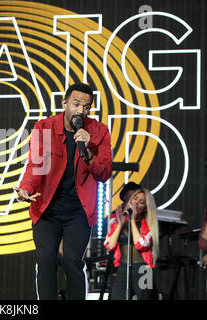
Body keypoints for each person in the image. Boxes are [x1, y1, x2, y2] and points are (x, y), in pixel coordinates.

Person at [14, 83, 112, 300]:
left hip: (79, 211)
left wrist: (88, 151)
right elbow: (36, 166)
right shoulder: (45, 127)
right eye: (76, 104)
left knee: (72, 260)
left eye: (86, 107)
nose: (80, 111)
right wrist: (26, 188)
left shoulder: (99, 132)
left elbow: (104, 173)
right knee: (46, 258)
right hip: (47, 208)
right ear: (64, 102)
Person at [104, 188, 159, 300]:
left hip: (144, 269)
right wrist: (120, 224)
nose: (137, 203)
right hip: (123, 268)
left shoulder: (147, 224)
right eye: (135, 198)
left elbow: (141, 245)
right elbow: (109, 245)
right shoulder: (117, 220)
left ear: (145, 208)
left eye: (141, 202)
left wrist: (132, 221)